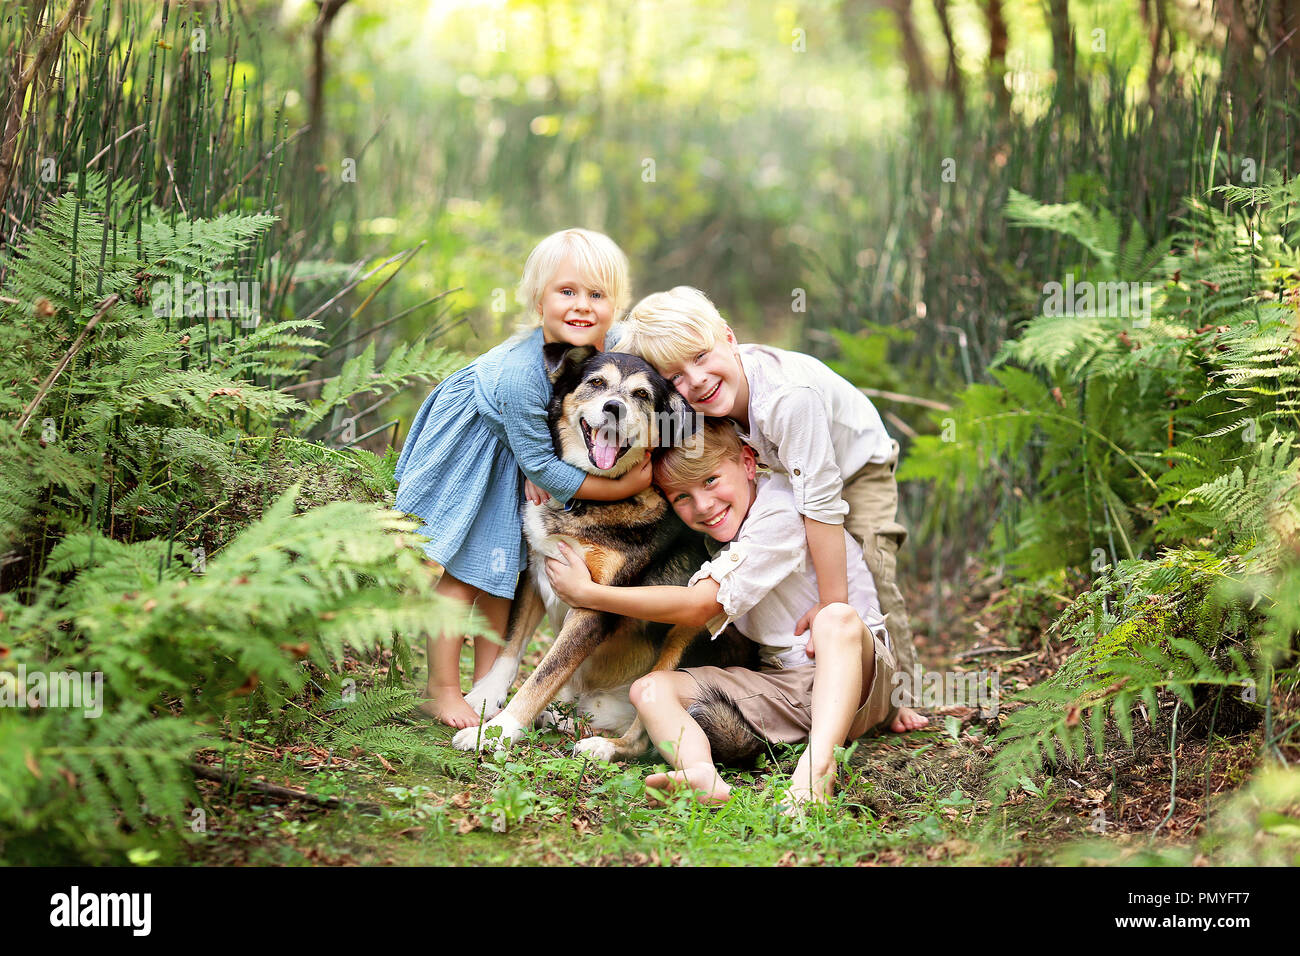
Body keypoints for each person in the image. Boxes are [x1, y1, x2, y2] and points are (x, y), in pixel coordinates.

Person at [611, 286, 927, 732]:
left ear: (729, 336)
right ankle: (778, 667)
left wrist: (831, 606)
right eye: (676, 376)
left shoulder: (786, 397)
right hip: (777, 464)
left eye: (701, 357)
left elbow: (820, 504)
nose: (695, 379)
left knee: (873, 561)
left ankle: (900, 695)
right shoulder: (693, 405)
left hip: (853, 464)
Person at [545, 419, 897, 809]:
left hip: (856, 674)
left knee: (835, 618)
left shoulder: (780, 511)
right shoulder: (718, 534)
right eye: (681, 497)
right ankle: (700, 774)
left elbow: (699, 605)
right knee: (650, 688)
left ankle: (816, 770)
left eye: (711, 481)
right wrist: (547, 477)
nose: (703, 505)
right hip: (787, 687)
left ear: (748, 462)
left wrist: (588, 593)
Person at [394, 228, 652, 728]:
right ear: (538, 299)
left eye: (597, 295)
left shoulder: (610, 345)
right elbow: (541, 466)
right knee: (464, 572)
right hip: (479, 452)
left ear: (615, 305)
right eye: (567, 291)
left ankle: (488, 687)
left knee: (505, 570)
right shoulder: (518, 375)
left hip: (529, 450)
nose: (582, 306)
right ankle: (441, 689)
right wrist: (622, 488)